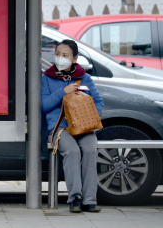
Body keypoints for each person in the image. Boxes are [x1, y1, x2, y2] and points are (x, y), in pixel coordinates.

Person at [41, 39, 104, 213]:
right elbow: (44, 105)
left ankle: (90, 200)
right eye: (57, 54)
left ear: (74, 59)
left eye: (65, 55)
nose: (60, 58)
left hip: (83, 127)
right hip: (59, 128)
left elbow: (98, 101)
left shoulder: (85, 78)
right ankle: (75, 198)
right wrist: (63, 92)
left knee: (91, 150)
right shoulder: (46, 78)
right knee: (73, 151)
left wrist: (91, 117)